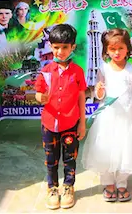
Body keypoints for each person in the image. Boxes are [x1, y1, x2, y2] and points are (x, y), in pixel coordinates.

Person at [82, 29, 132, 203]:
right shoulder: (103, 69)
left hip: (127, 119)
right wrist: (99, 91)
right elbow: (99, 95)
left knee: (125, 149)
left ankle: (122, 182)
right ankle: (108, 183)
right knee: (106, 149)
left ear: (127, 49)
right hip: (107, 119)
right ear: (106, 51)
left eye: (120, 48)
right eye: (112, 49)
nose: (116, 53)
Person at [34, 24, 87, 210]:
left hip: (71, 123)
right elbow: (37, 93)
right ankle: (52, 188)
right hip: (49, 124)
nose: (60, 51)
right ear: (50, 46)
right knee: (51, 159)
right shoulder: (46, 71)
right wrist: (39, 97)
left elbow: (81, 97)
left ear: (72, 47)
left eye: (65, 47)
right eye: (56, 47)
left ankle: (68, 187)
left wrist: (83, 123)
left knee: (70, 158)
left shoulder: (77, 72)